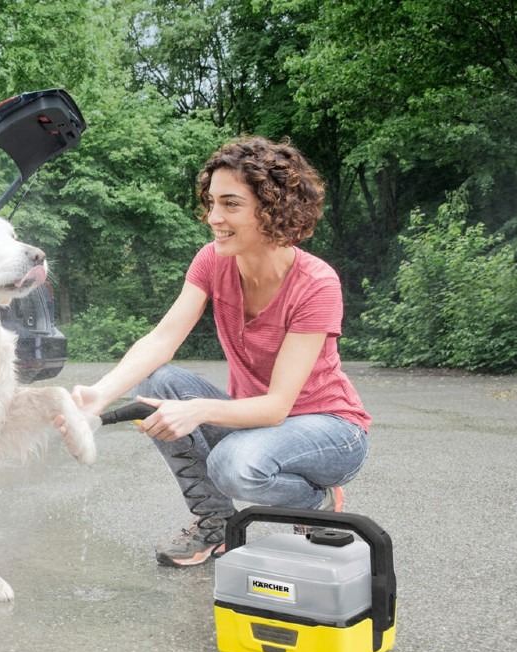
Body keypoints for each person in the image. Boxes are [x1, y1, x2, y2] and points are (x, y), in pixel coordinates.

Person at [70, 136, 370, 567]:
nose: (213, 217)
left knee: (232, 464)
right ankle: (216, 524)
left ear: (273, 207)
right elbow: (162, 339)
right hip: (260, 423)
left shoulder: (316, 283)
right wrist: (100, 393)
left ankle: (311, 501)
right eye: (211, 203)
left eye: (231, 204)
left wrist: (198, 412)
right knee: (161, 382)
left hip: (330, 431)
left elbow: (277, 408)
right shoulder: (212, 261)